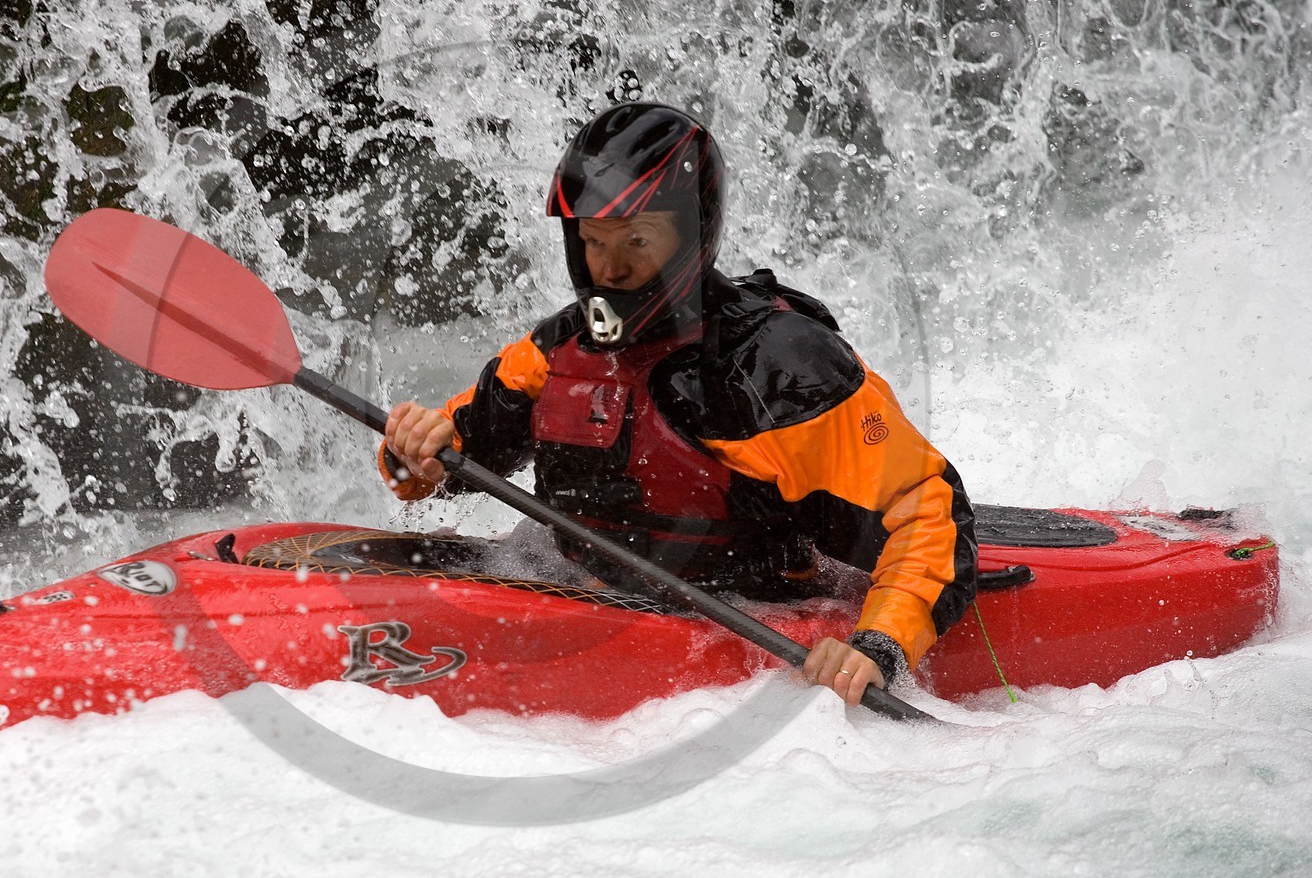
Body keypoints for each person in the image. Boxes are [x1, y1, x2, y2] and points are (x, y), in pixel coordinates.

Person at [381, 102, 976, 706]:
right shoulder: (554, 351)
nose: (610, 268)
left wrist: (878, 643)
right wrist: (415, 451)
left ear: (692, 235)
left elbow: (927, 510)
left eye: (637, 241)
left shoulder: (778, 370)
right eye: (594, 241)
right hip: (569, 579)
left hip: (748, 614)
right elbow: (442, 464)